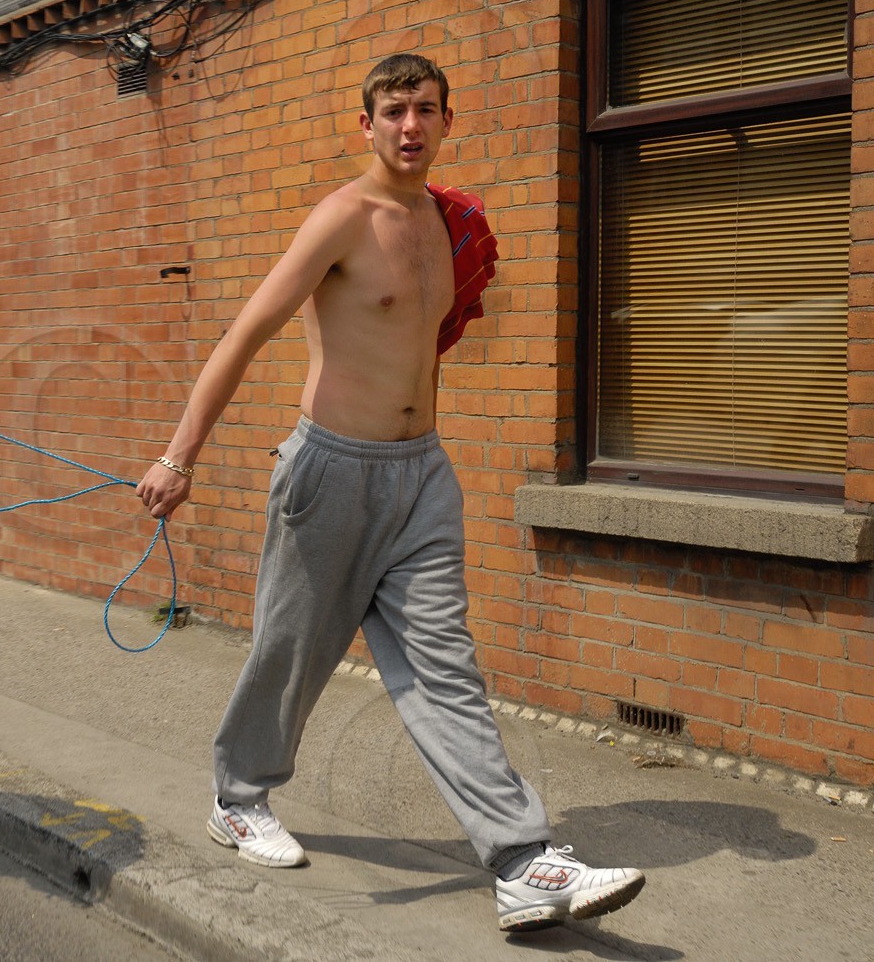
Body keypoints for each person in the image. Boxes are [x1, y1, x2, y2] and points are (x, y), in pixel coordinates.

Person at [135, 53, 645, 933]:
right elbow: (246, 334)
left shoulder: (450, 225)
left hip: (422, 479)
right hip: (332, 471)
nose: (411, 126)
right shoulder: (341, 218)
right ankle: (238, 796)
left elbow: (421, 342)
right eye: (394, 110)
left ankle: (524, 862)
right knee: (292, 653)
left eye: (426, 110)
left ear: (449, 121)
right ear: (365, 124)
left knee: (445, 670)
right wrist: (179, 457)